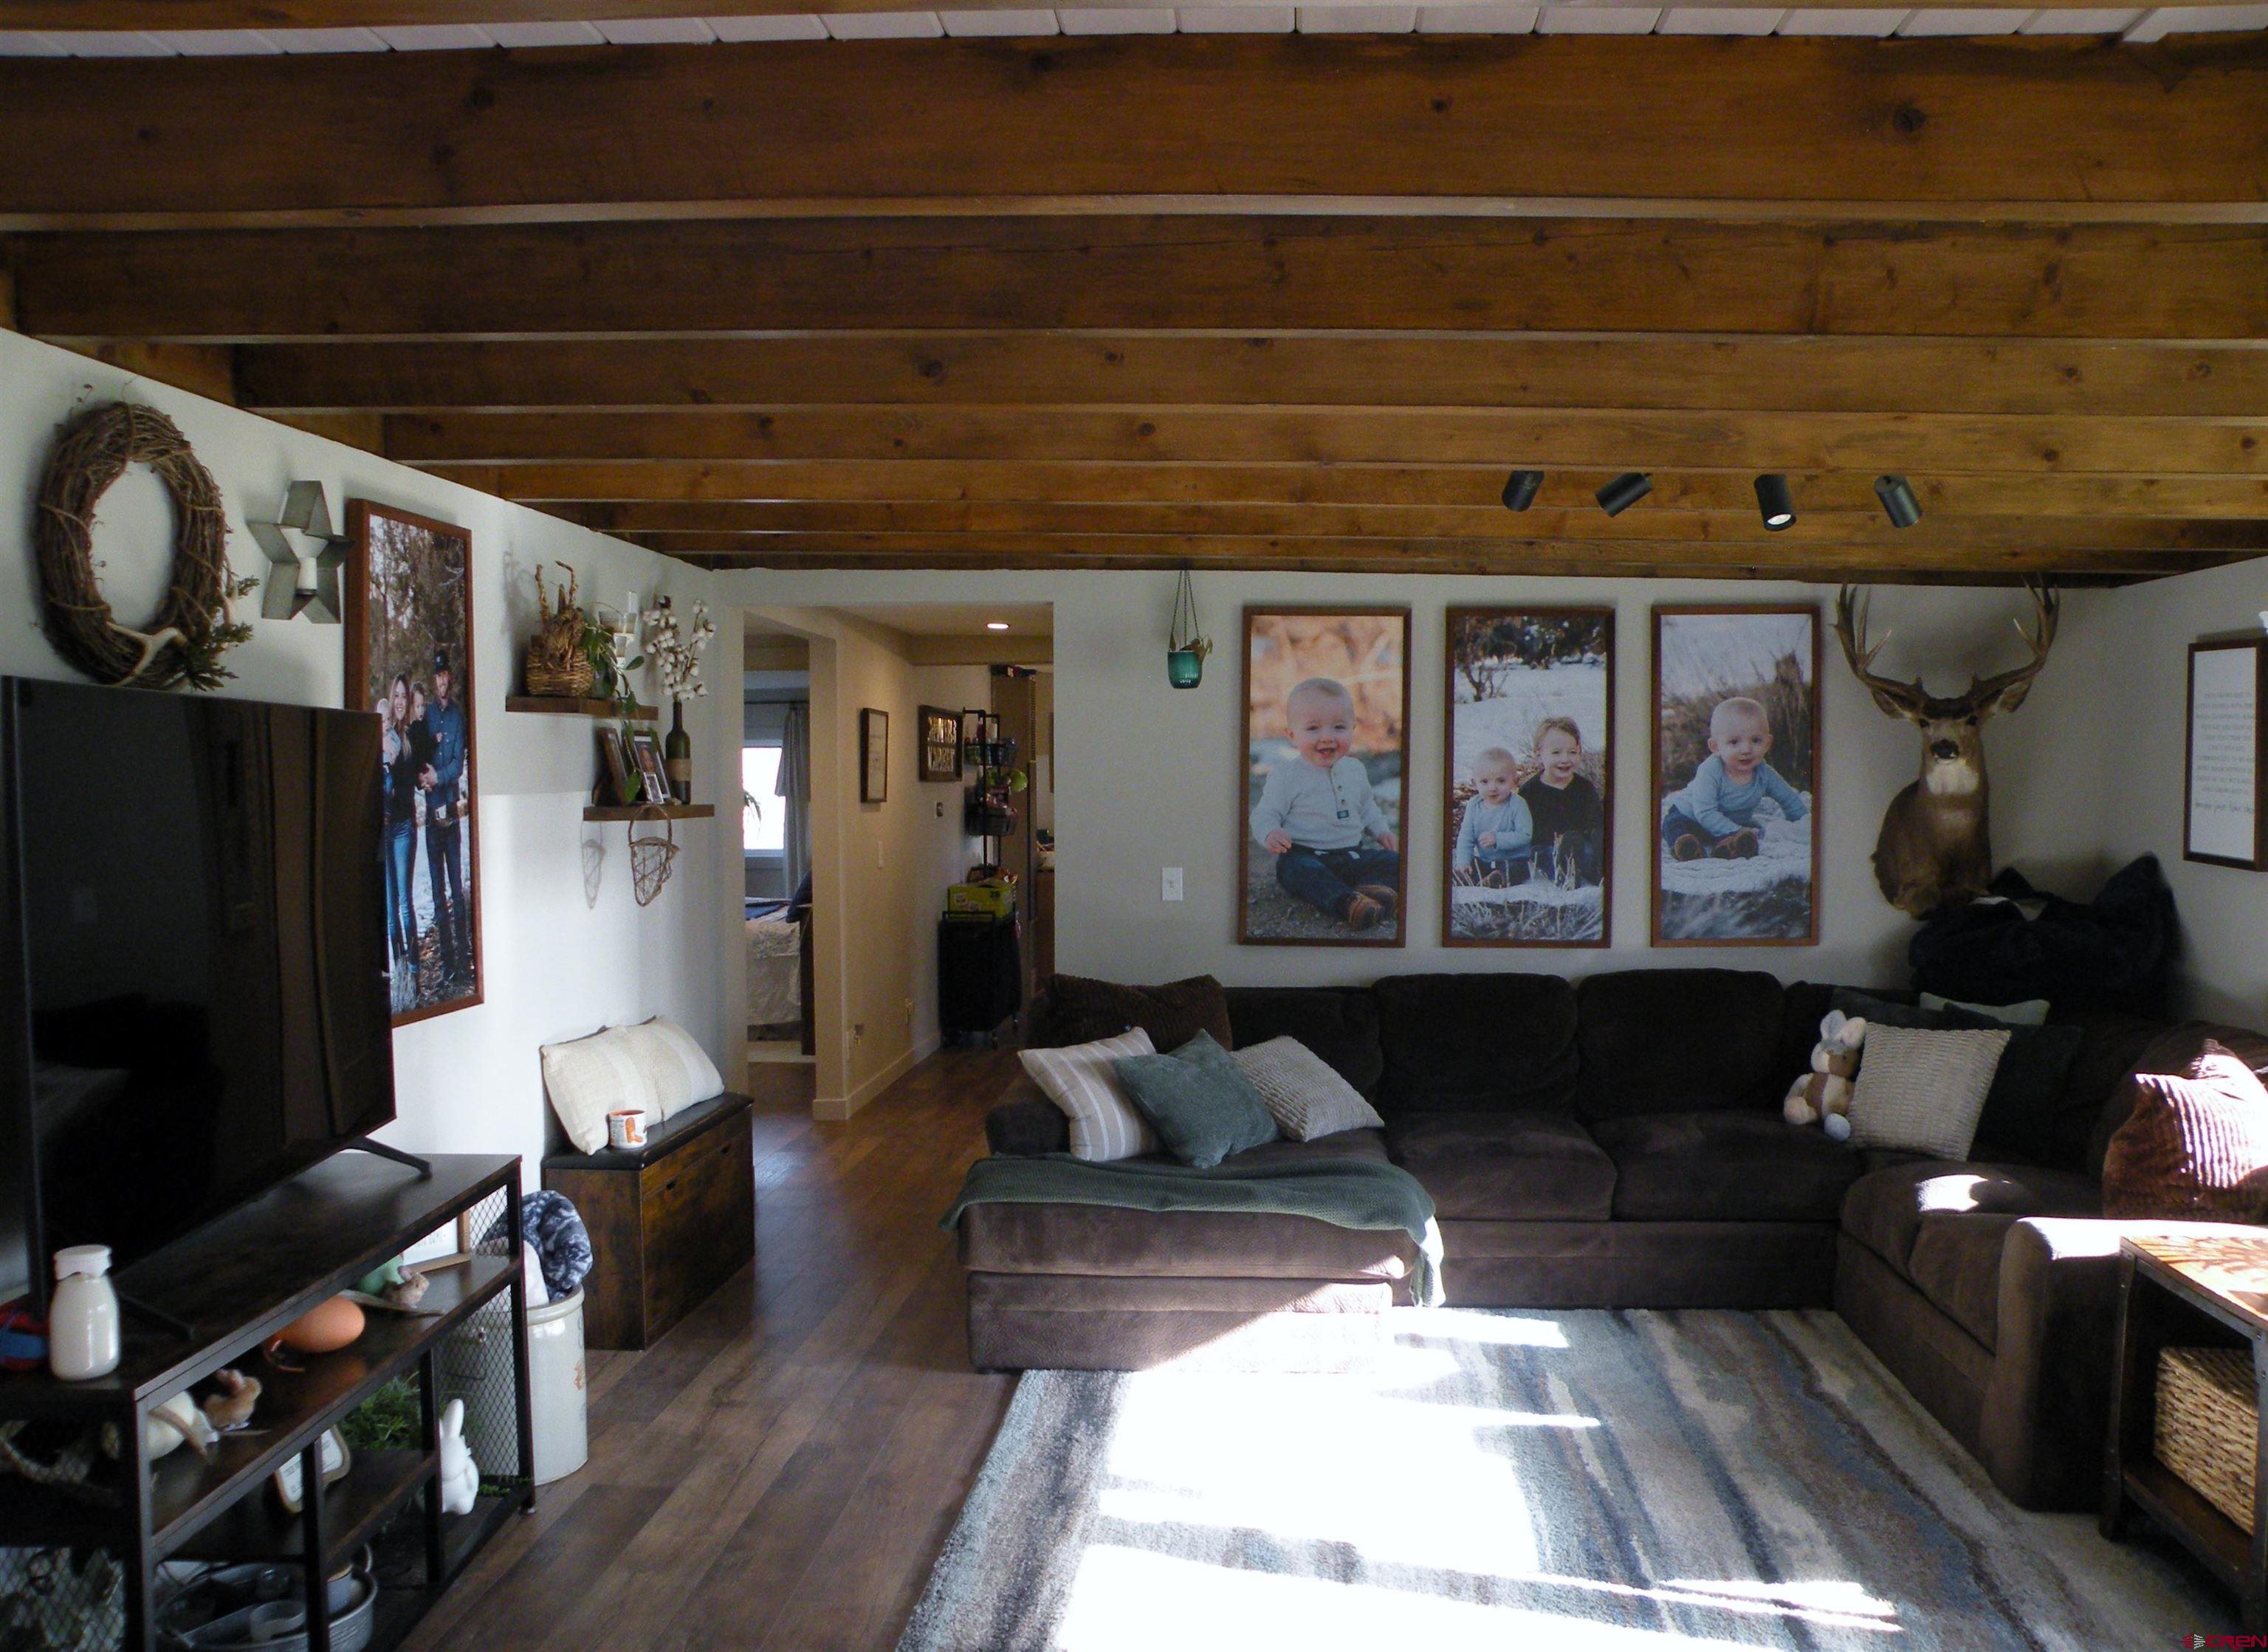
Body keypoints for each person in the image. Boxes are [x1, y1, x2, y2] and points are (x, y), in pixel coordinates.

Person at [1249, 676, 1401, 932]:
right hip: (1305, 855)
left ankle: (1373, 890)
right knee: (1298, 870)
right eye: (1313, 729)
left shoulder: (1355, 769)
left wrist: (1382, 831)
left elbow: (1367, 808)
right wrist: (1270, 833)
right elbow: (1264, 814)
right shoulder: (1286, 775)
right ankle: (1348, 903)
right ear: (1292, 735)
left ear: (1352, 728)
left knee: (1395, 861)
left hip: (1351, 855)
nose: (1327, 737)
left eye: (1339, 727)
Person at [1660, 695, 1808, 861]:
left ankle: (1727, 848)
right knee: (1673, 825)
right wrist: (1736, 830)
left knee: (1743, 835)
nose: (1746, 749)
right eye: (1734, 742)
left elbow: (1789, 799)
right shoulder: (1710, 770)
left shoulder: (1765, 774)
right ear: (1716, 747)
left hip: (1726, 823)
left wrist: (1802, 823)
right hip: (1690, 816)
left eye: (1756, 740)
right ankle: (1686, 848)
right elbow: (1705, 813)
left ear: (1768, 743)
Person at [419, 649, 472, 984]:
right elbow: (419, 755)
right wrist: (422, 778)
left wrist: (437, 776)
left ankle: (464, 958)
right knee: (437, 892)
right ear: (434, 679)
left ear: (450, 678)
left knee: (455, 887)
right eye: (437, 676)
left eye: (445, 676)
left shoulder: (456, 718)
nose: (442, 681)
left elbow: (457, 765)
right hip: (430, 814)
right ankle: (448, 965)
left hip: (449, 814)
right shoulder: (426, 717)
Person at [1520, 716, 1606, 886]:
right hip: (1547, 847)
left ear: (1580, 753)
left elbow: (1595, 822)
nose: (1565, 759)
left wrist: (1593, 835)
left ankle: (1598, 872)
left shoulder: (1584, 787)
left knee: (1590, 848)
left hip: (1580, 845)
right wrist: (1557, 841)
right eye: (1556, 753)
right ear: (1539, 755)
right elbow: (1526, 832)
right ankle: (1566, 873)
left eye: (1572, 752)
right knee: (1544, 855)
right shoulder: (1530, 791)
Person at [379, 674, 421, 976]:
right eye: (396, 695)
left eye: (404, 696)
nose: (400, 702)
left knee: (405, 901)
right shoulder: (382, 735)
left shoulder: (410, 738)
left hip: (404, 825)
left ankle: (415, 968)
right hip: (385, 827)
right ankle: (400, 967)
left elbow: (408, 785)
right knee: (390, 906)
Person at [1451, 746, 1533, 888]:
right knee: (1472, 865)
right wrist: (1463, 862)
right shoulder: (1474, 805)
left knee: (1517, 870)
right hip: (1486, 860)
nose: (1493, 788)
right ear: (1474, 783)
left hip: (1513, 859)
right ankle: (1467, 876)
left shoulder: (1518, 804)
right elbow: (1466, 838)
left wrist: (1498, 839)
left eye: (1501, 781)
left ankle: (1497, 880)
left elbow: (1525, 835)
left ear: (1514, 781)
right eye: (1485, 782)